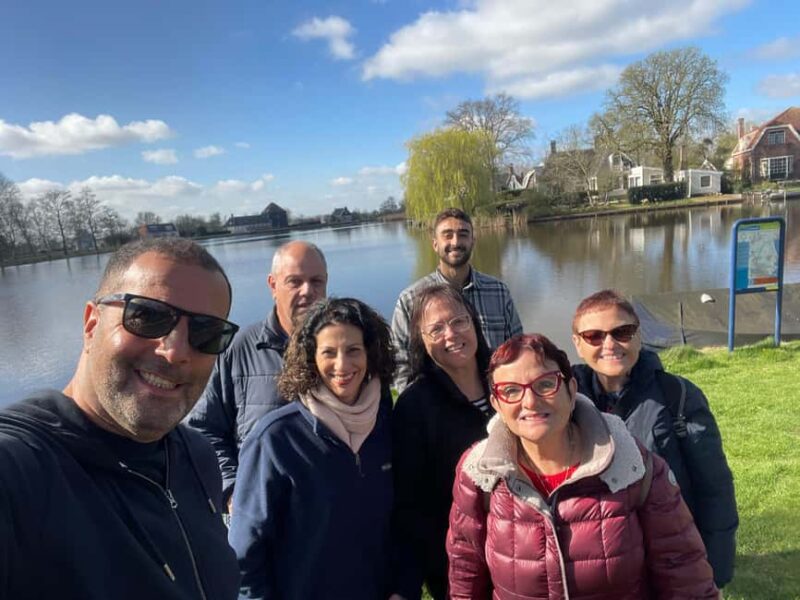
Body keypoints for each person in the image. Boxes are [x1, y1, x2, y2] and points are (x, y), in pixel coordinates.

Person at [0, 238, 241, 600]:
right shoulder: (18, 472)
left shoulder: (196, 454)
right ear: (91, 323)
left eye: (205, 333)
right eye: (147, 316)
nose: (175, 351)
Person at [447, 333, 719, 599]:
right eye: (511, 391)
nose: (529, 402)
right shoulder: (479, 474)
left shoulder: (633, 466)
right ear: (496, 403)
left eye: (545, 384)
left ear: (571, 389)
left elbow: (684, 573)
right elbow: (465, 573)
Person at [229, 298, 395, 600]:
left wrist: (403, 589)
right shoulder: (274, 439)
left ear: (370, 354)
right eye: (328, 353)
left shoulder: (386, 426)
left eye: (353, 350)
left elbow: (404, 520)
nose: (342, 365)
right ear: (311, 359)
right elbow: (244, 555)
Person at [570, 289, 738, 589]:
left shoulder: (678, 395)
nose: (609, 344)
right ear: (577, 344)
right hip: (599, 562)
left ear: (638, 335)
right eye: (594, 336)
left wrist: (715, 568)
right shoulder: (565, 403)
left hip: (667, 549)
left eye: (621, 332)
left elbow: (714, 486)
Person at [186, 240, 328, 507]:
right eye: (294, 282)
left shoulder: (349, 351)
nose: (308, 291)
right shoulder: (238, 349)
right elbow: (204, 430)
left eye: (316, 281)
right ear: (273, 285)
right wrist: (232, 492)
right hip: (264, 515)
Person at [390, 283, 494, 600]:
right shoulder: (414, 407)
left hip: (526, 549)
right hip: (460, 565)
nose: (451, 334)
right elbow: (411, 505)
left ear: (474, 322)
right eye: (436, 329)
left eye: (459, 321)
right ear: (421, 341)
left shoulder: (506, 379)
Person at [391, 207, 523, 392]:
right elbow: (399, 363)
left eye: (463, 234)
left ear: (472, 241)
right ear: (435, 244)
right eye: (447, 235)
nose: (456, 242)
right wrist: (419, 403)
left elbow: (517, 348)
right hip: (439, 407)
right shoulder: (411, 300)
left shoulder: (498, 292)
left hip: (496, 397)